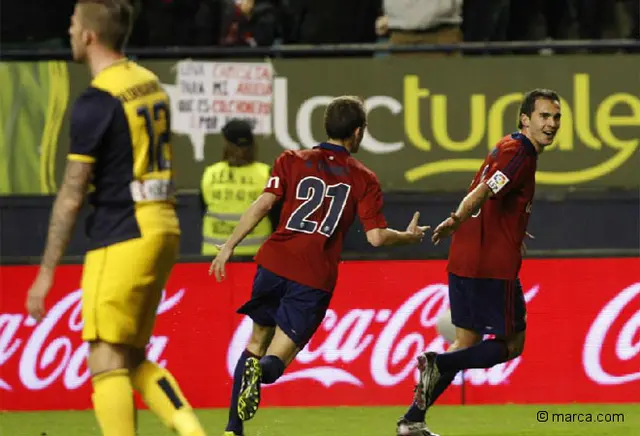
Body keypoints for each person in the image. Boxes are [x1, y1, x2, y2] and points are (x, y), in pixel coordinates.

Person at [24, 1, 207, 435]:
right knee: (130, 357)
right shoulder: (149, 82)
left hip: (123, 231)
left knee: (104, 358)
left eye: (72, 24)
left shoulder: (96, 100)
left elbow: (71, 195)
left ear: (89, 35)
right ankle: (194, 431)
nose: (68, 31)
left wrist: (46, 272)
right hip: (163, 226)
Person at [209, 96, 429, 436]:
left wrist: (230, 246)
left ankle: (232, 429)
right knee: (275, 361)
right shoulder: (363, 178)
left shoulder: (291, 160)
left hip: (273, 263)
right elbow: (376, 238)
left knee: (255, 343)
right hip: (313, 277)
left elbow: (262, 204)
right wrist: (407, 236)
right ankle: (261, 375)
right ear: (357, 133)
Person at [397, 89, 562, 436]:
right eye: (544, 116)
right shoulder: (520, 153)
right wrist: (457, 217)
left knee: (467, 341)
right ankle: (437, 362)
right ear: (525, 119)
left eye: (555, 117)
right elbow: (486, 190)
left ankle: (413, 420)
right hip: (491, 265)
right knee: (512, 343)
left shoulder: (506, 145)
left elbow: (493, 196)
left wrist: (514, 228)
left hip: (465, 258)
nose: (551, 124)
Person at [200, 119, 276, 256]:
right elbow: (277, 217)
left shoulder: (210, 173)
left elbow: (202, 208)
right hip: (256, 254)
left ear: (226, 144)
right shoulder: (265, 173)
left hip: (216, 254)